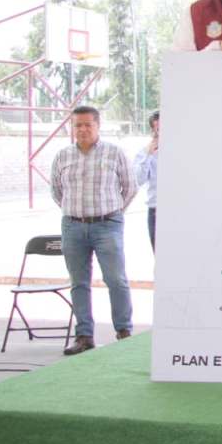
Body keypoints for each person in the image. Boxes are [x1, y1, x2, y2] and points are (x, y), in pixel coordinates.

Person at [51, 106, 138, 355]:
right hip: (73, 226)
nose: (83, 129)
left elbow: (130, 187)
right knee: (78, 283)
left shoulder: (114, 153)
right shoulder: (63, 156)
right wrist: (75, 211)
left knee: (116, 280)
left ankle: (124, 332)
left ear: (98, 125)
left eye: (88, 124)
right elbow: (56, 191)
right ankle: (84, 336)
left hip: (107, 225)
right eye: (78, 125)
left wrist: (113, 213)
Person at [133, 110, 159, 250]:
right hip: (156, 210)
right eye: (158, 128)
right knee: (160, 256)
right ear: (153, 130)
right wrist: (149, 155)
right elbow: (138, 179)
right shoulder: (144, 153)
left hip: (183, 208)